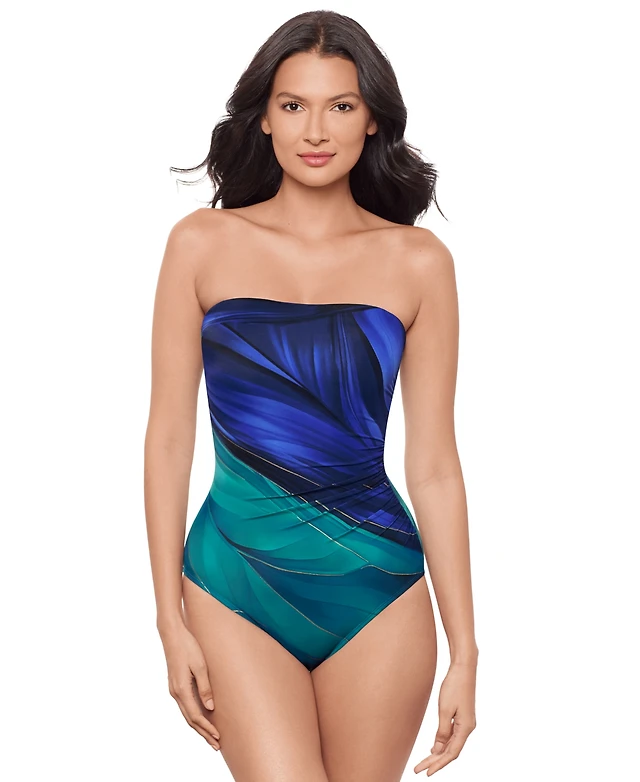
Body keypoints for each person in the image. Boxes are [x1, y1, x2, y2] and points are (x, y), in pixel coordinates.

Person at [144, 9, 478, 781]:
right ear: (264, 116)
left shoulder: (419, 261)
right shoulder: (200, 243)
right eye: (294, 105)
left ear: (372, 120)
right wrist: (167, 618)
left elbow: (434, 466)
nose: (316, 130)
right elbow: (167, 440)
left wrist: (466, 650)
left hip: (377, 587)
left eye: (341, 105)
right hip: (233, 580)